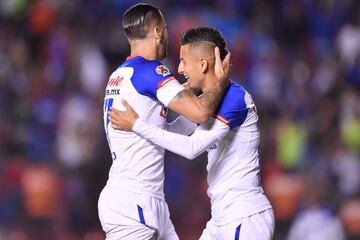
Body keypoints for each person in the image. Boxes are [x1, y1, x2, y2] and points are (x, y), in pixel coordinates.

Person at [109, 27, 275, 240]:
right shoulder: (204, 102)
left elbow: (191, 148)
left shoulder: (234, 97)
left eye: (184, 61)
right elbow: (170, 133)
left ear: (203, 64)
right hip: (220, 218)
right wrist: (155, 106)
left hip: (245, 217)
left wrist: (136, 125)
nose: (179, 69)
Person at [98, 4, 230, 240]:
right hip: (134, 201)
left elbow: (165, 131)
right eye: (166, 28)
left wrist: (194, 92)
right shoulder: (150, 71)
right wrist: (219, 82)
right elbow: (200, 112)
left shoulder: (120, 75)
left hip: (144, 198)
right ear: (158, 32)